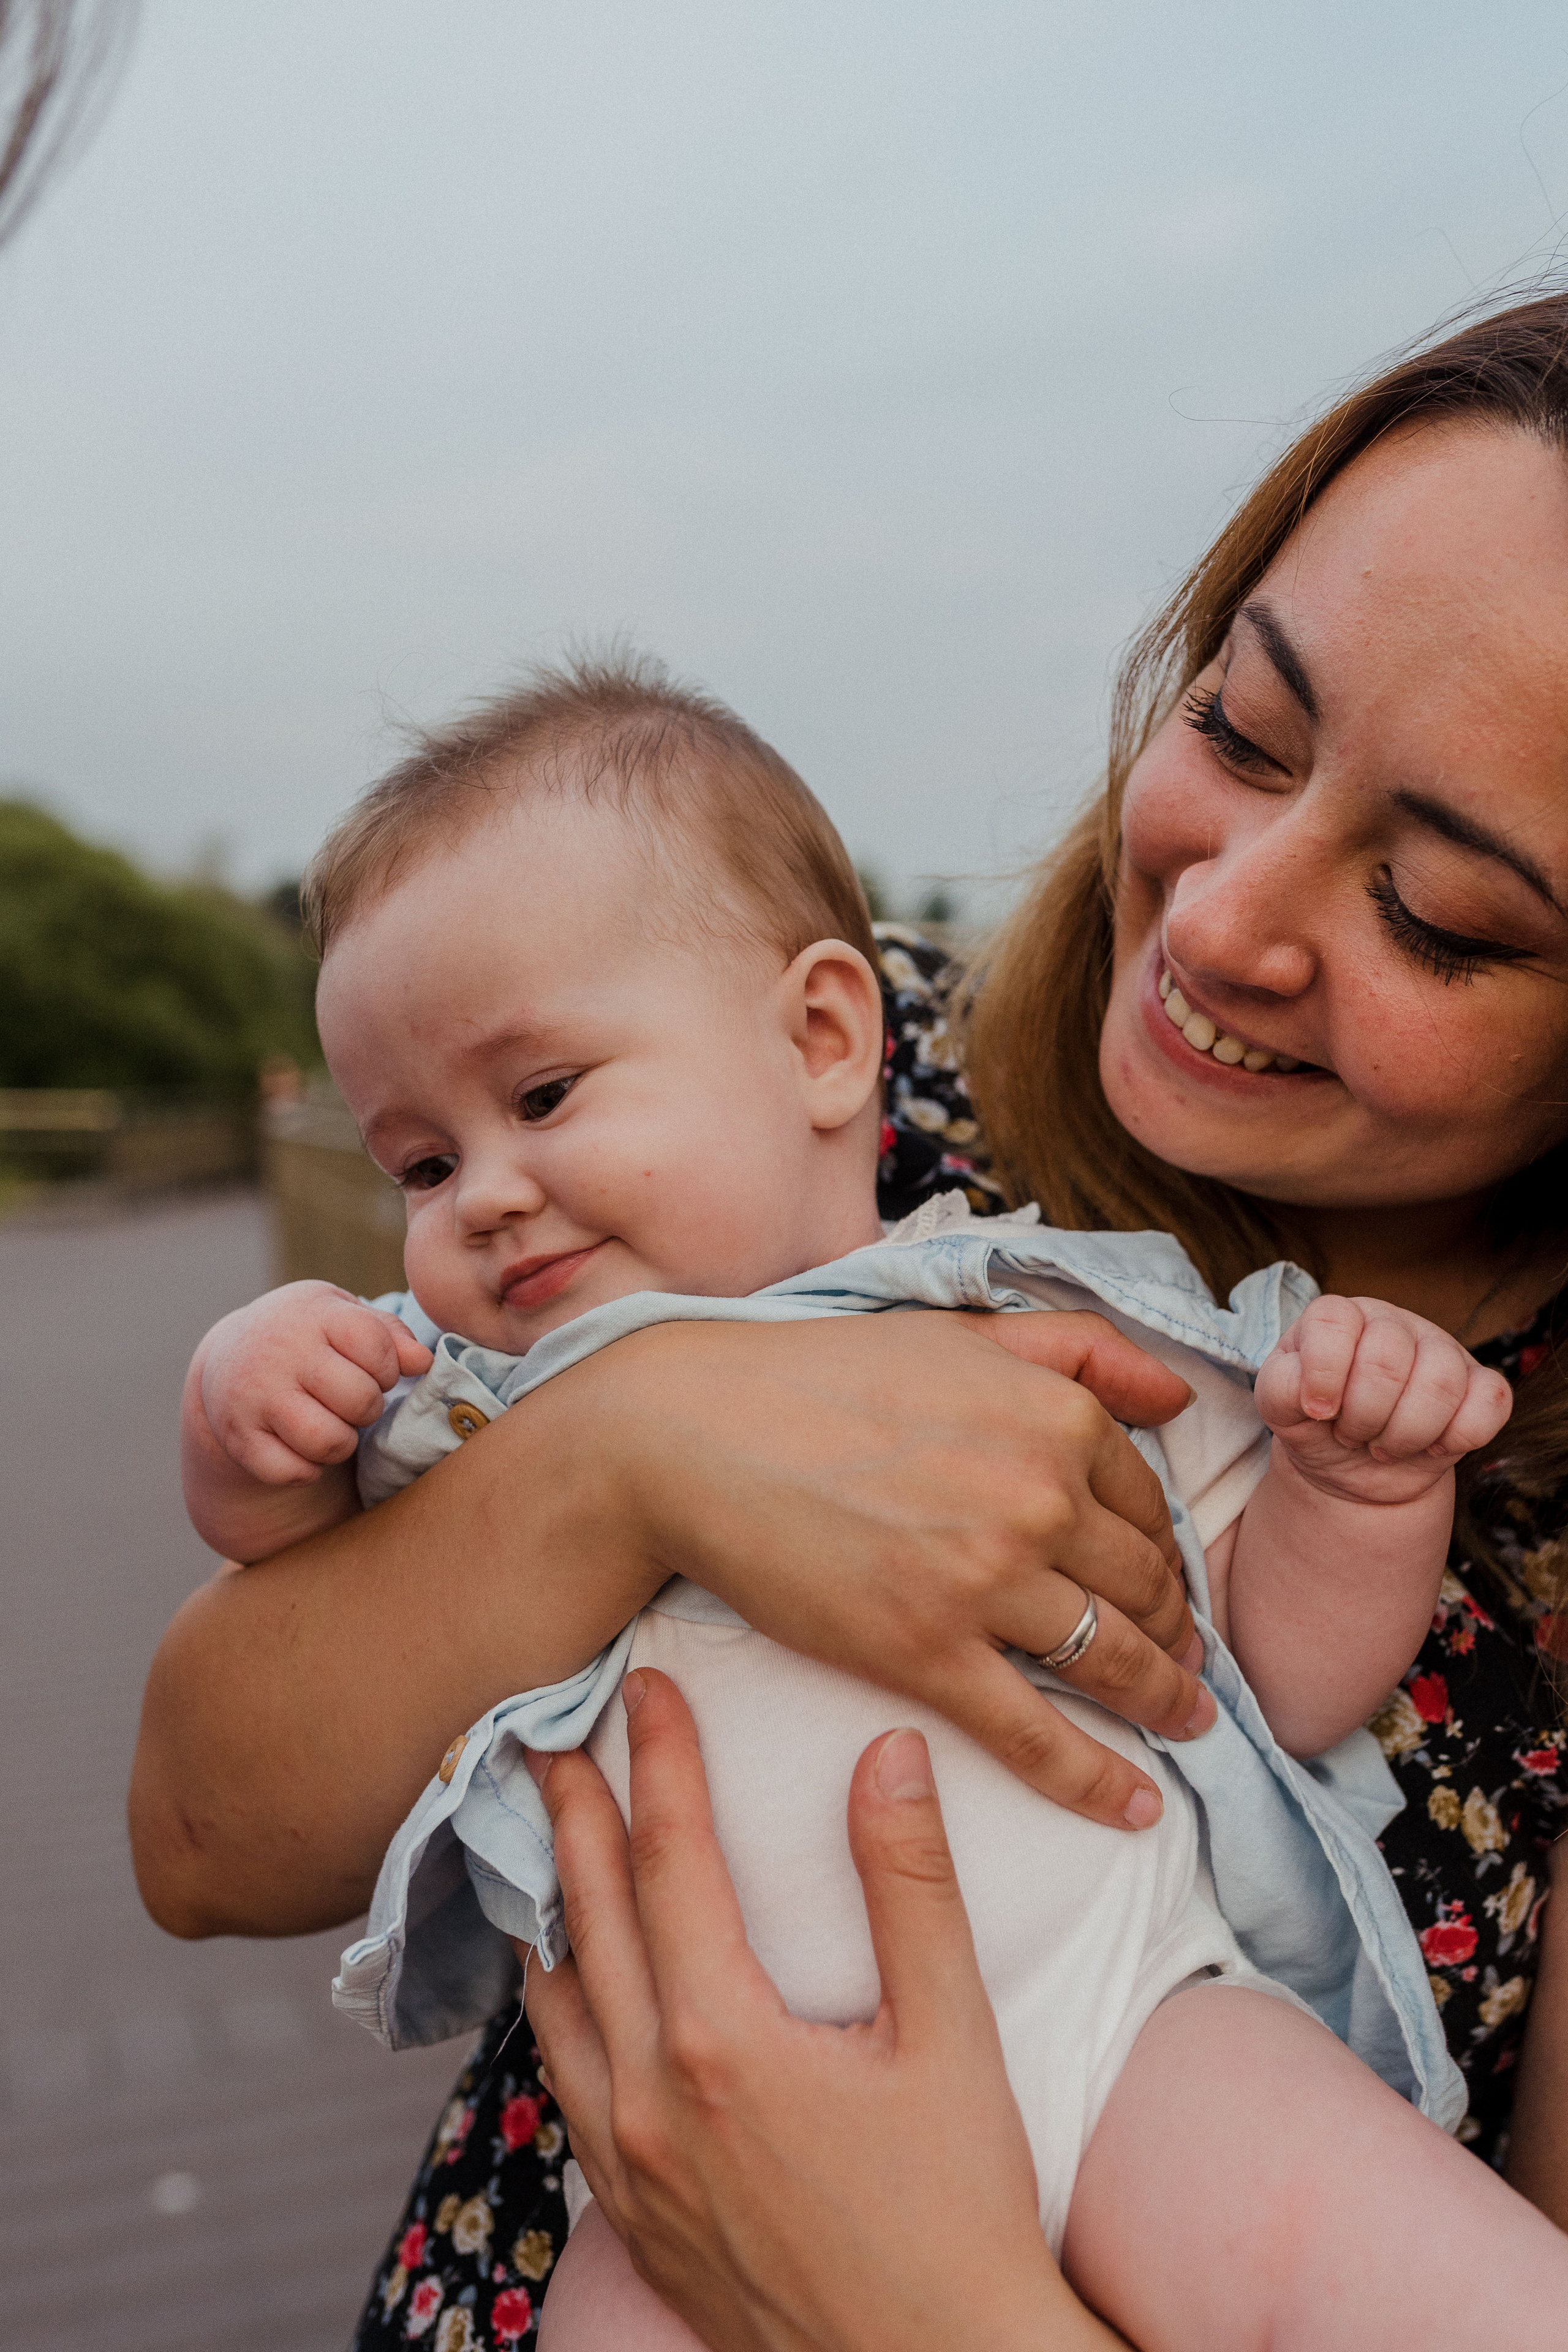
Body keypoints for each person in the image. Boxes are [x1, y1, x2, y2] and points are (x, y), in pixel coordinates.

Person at [128, 290, 1568, 2344]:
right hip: (620, 2202)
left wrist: (926, 2300)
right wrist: (641, 1447)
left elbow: (1273, 1679)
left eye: (1438, 914)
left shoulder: (1238, 1370)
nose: (1227, 917)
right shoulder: (787, 1099)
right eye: (1241, 733)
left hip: (1126, 2068)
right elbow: (200, 1825)